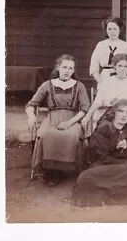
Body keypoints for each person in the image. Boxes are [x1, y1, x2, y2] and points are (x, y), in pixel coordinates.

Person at [72, 99, 127, 207]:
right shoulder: (104, 130)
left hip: (125, 167)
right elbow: (104, 158)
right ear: (115, 112)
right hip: (106, 164)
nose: (124, 115)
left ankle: (119, 194)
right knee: (85, 176)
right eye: (121, 111)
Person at [26, 54, 90, 186]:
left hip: (72, 119)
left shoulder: (79, 86)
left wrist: (69, 122)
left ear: (73, 71)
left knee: (72, 135)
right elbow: (31, 104)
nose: (67, 71)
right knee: (45, 134)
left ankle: (65, 169)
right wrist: (31, 116)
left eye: (70, 68)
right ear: (58, 68)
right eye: (64, 67)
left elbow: (85, 109)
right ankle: (51, 171)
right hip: (52, 119)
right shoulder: (47, 85)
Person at [81, 53, 127, 136]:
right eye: (120, 66)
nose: (122, 69)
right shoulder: (106, 82)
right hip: (109, 115)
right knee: (101, 133)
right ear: (114, 67)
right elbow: (97, 102)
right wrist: (87, 116)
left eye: (125, 66)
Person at [89, 17, 127, 86]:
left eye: (115, 29)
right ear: (106, 30)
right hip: (104, 78)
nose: (112, 32)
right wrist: (100, 81)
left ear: (120, 29)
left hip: (121, 78)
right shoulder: (101, 45)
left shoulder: (125, 46)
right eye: (109, 29)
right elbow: (94, 66)